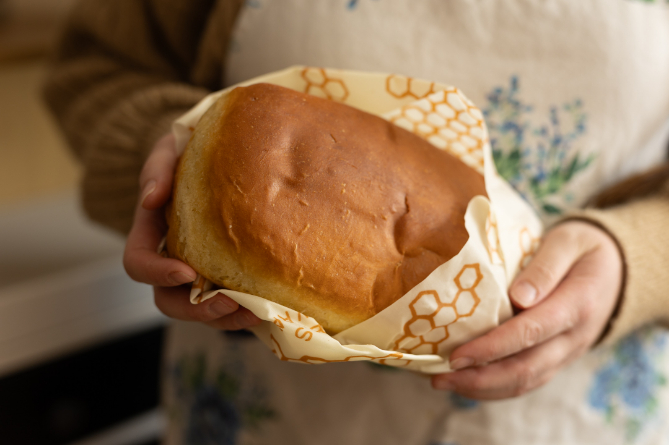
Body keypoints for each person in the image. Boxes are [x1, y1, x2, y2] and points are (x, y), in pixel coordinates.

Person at [43, 0, 669, 443]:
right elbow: (95, 66)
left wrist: (639, 256)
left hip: (578, 419)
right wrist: (174, 165)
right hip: (265, 415)